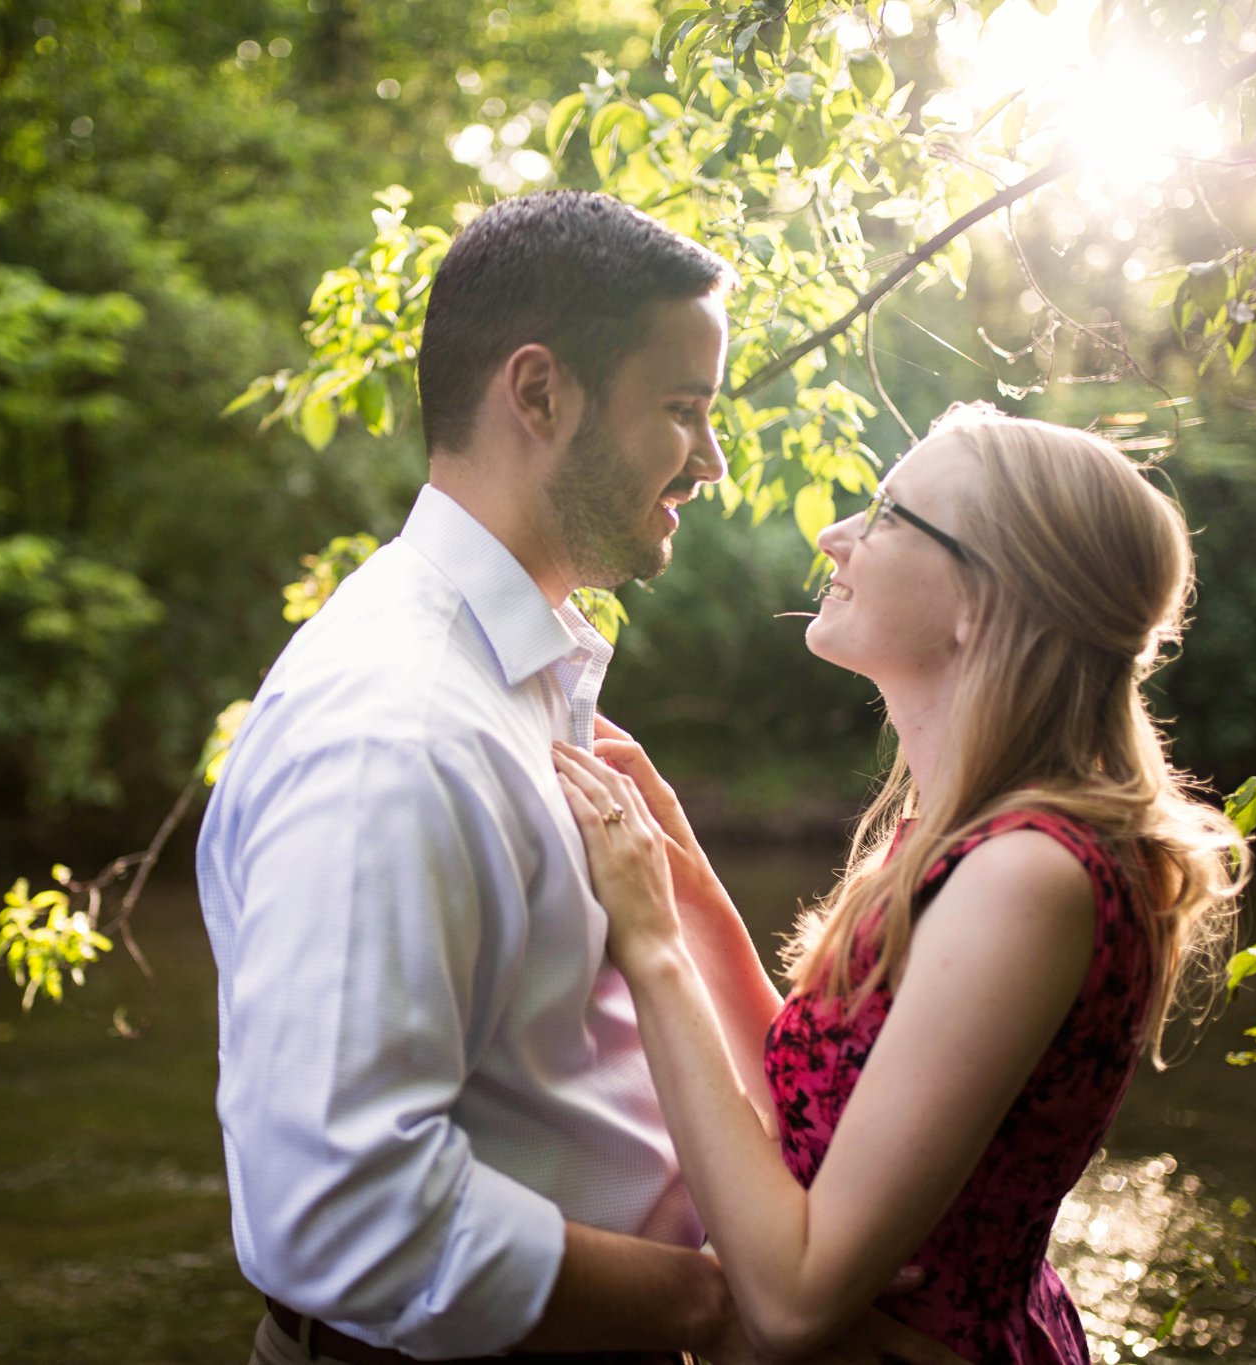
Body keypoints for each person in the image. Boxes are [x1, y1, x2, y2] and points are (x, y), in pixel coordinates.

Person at [196, 191, 969, 1365]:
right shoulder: (394, 732)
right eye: (680, 411)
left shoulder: (524, 673)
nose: (710, 459)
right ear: (539, 393)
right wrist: (721, 1304)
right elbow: (338, 1216)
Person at [551, 404, 1248, 1363]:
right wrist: (685, 875)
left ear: (985, 598)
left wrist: (651, 943)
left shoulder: (1029, 874)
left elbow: (792, 1301)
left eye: (886, 514)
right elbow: (821, 1112)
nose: (836, 538)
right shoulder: (974, 838)